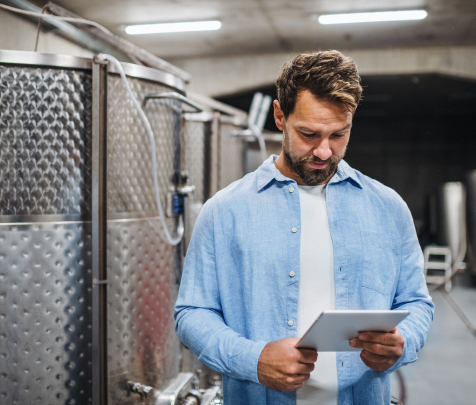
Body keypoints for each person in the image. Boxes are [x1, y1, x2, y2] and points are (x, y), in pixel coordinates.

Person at [174, 50, 434, 405]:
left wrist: (402, 341)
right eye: (309, 134)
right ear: (280, 116)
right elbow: (192, 313)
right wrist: (253, 359)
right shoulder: (225, 210)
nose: (324, 152)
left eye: (339, 135)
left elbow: (416, 301)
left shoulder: (387, 207)